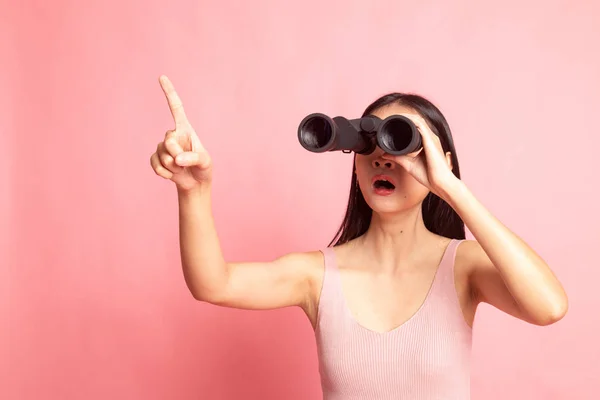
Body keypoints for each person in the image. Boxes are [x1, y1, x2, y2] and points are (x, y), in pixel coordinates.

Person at [150, 75, 568, 399]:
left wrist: (450, 185)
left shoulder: (465, 267)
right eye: (370, 143)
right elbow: (213, 284)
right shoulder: (318, 275)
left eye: (402, 144)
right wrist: (194, 190)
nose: (383, 158)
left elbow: (548, 307)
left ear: (441, 162)